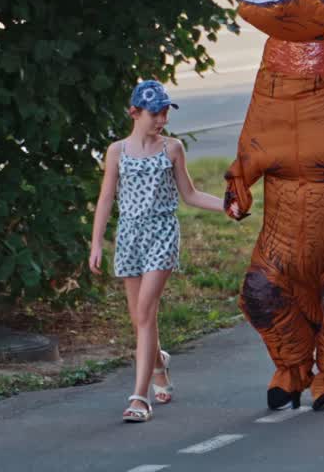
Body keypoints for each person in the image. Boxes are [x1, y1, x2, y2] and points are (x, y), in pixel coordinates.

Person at [89, 80, 226, 423]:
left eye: (165, 112)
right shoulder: (117, 151)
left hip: (162, 235)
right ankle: (159, 362)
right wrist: (96, 243)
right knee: (139, 318)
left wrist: (228, 206)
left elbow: (190, 195)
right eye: (155, 113)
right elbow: (106, 198)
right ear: (134, 113)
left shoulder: (173, 149)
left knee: (146, 312)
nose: (161, 119)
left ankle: (139, 397)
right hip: (129, 238)